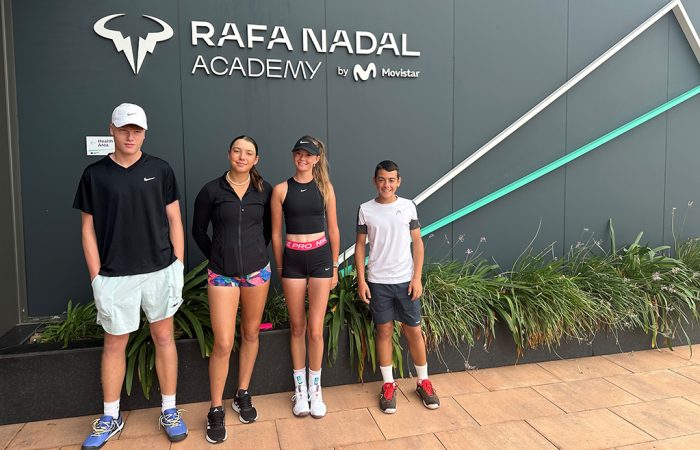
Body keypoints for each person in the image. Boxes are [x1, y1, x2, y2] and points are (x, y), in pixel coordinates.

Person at [74, 103, 188, 449]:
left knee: (164, 337)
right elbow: (87, 229)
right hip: (114, 275)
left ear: (144, 133)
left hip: (160, 270)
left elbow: (174, 221)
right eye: (124, 129)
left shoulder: (161, 169)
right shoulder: (95, 174)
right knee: (114, 344)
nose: (130, 136)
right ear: (111, 129)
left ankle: (169, 410)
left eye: (136, 130)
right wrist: (96, 277)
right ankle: (110, 417)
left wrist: (178, 266)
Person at [192, 135, 272, 444]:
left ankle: (242, 393)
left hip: (256, 274)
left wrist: (254, 252)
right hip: (222, 276)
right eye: (237, 150)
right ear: (229, 154)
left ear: (256, 160)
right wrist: (218, 254)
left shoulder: (263, 192)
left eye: (248, 152)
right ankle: (215, 408)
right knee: (224, 342)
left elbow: (267, 231)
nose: (242, 156)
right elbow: (198, 231)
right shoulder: (211, 190)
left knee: (250, 333)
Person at [355, 160, 440, 414]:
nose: (386, 184)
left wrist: (417, 278)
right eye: (382, 179)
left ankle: (423, 381)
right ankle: (388, 385)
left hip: (405, 282)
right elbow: (360, 246)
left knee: (414, 331)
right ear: (375, 181)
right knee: (384, 331)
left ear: (398, 182)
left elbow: (418, 243)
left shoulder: (408, 207)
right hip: (378, 282)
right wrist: (361, 280)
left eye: (391, 180)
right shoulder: (365, 209)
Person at [271, 136, 339, 419]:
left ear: (316, 159)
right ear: (293, 156)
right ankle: (299, 391)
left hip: (322, 259)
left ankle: (315, 389)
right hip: (293, 261)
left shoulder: (325, 188)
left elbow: (333, 228)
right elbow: (276, 233)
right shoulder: (281, 190)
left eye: (308, 155)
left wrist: (335, 266)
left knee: (315, 328)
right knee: (297, 327)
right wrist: (280, 266)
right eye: (298, 153)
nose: (303, 158)